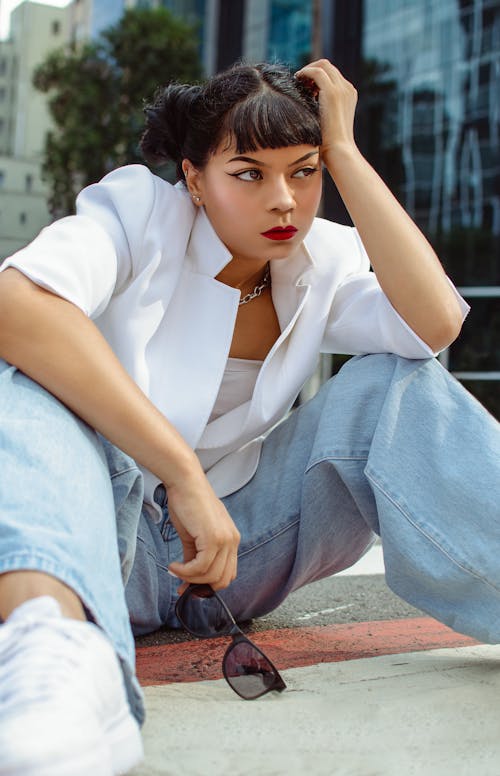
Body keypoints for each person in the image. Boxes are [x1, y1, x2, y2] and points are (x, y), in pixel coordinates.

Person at [0, 58, 498, 775]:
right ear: (195, 178)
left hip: (240, 557)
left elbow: (436, 323)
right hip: (102, 539)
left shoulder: (320, 259)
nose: (284, 201)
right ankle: (57, 657)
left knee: (394, 385)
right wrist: (180, 474)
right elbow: (17, 305)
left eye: (303, 171)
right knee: (23, 385)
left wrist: (347, 154)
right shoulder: (140, 212)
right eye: (249, 174)